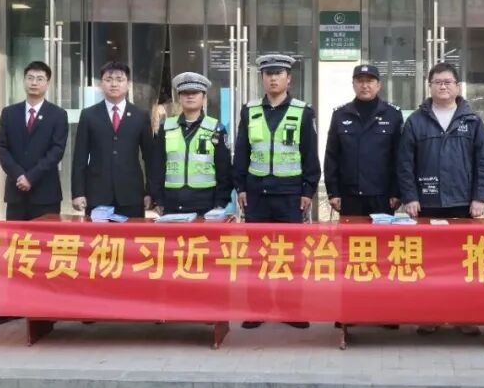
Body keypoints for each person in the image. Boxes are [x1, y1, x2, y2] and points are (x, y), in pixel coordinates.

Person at [398, 62, 484, 337]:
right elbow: (405, 163)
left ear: (457, 86)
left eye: (448, 82)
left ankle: (464, 316)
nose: (443, 86)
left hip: (463, 204)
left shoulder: (472, 121)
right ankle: (431, 316)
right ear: (429, 86)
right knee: (429, 263)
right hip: (427, 204)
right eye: (437, 82)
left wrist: (480, 197)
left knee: (464, 263)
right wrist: (410, 197)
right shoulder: (416, 121)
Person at [233, 53, 320, 330]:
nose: (273, 78)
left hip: (290, 195)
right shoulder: (249, 111)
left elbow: (310, 154)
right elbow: (242, 152)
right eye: (268, 74)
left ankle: (291, 309)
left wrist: (308, 190)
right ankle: (256, 310)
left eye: (278, 73)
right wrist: (240, 187)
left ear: (288, 78)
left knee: (290, 255)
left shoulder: (303, 111)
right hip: (256, 195)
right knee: (256, 255)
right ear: (262, 78)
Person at [0, 61, 68, 326]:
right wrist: (18, 175)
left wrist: (31, 176)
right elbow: (1, 146)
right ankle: (13, 304)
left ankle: (45, 307)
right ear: (23, 81)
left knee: (45, 251)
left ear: (48, 83)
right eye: (30, 77)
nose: (34, 82)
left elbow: (57, 151)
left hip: (45, 193)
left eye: (40, 78)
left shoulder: (58, 115)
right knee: (15, 250)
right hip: (16, 193)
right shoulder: (9, 113)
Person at [71, 61, 155, 219]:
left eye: (119, 79)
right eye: (108, 80)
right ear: (101, 85)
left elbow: (149, 157)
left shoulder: (140, 115)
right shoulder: (89, 115)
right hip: (97, 194)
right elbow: (80, 157)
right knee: (98, 235)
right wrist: (78, 192)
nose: (114, 84)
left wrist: (151, 192)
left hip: (131, 194)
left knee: (132, 234)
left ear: (128, 84)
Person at [325, 64, 403, 217]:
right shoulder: (340, 114)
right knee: (350, 233)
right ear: (353, 84)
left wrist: (397, 191)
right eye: (360, 81)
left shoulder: (392, 114)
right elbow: (332, 156)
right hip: (349, 195)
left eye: (370, 81)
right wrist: (333, 192)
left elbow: (399, 156)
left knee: (382, 233)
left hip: (382, 196)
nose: (365, 85)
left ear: (379, 85)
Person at [151, 72, 232, 216]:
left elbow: (224, 170)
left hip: (206, 206)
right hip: (171, 204)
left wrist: (220, 203)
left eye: (195, 92)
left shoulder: (216, 129)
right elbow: (157, 166)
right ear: (179, 97)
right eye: (185, 93)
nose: (190, 96)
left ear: (204, 97)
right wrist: (158, 200)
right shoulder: (166, 128)